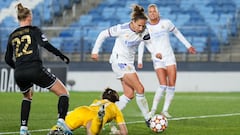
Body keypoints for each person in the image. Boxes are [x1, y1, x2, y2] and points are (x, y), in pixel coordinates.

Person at [4, 3, 72, 135]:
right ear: (29, 17)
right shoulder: (34, 30)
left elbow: (7, 59)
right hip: (34, 68)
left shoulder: (12, 35)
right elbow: (45, 44)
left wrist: (18, 67)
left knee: (27, 97)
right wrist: (61, 55)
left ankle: (23, 129)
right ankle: (61, 124)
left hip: (19, 72)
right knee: (64, 93)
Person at [91, 4, 151, 126]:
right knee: (140, 89)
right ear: (133, 22)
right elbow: (103, 34)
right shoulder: (121, 29)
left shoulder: (145, 31)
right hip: (119, 62)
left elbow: (149, 44)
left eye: (143, 25)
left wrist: (157, 53)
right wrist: (95, 51)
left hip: (128, 63)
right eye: (139, 25)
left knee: (129, 94)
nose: (141, 28)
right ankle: (148, 118)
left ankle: (104, 114)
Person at [138, 4, 196, 118]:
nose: (152, 13)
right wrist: (140, 60)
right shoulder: (146, 28)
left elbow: (177, 33)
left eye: (154, 11)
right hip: (157, 58)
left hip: (169, 57)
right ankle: (153, 110)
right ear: (148, 14)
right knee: (162, 85)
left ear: (158, 12)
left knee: (171, 84)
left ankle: (165, 110)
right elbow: (142, 43)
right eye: (150, 12)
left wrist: (188, 45)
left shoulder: (166, 23)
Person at [48, 88, 128, 135]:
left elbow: (89, 111)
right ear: (115, 100)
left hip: (82, 110)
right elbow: (124, 132)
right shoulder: (116, 109)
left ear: (103, 97)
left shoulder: (97, 102)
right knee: (92, 131)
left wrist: (70, 113)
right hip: (93, 117)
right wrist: (116, 132)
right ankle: (99, 119)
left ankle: (55, 130)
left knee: (61, 128)